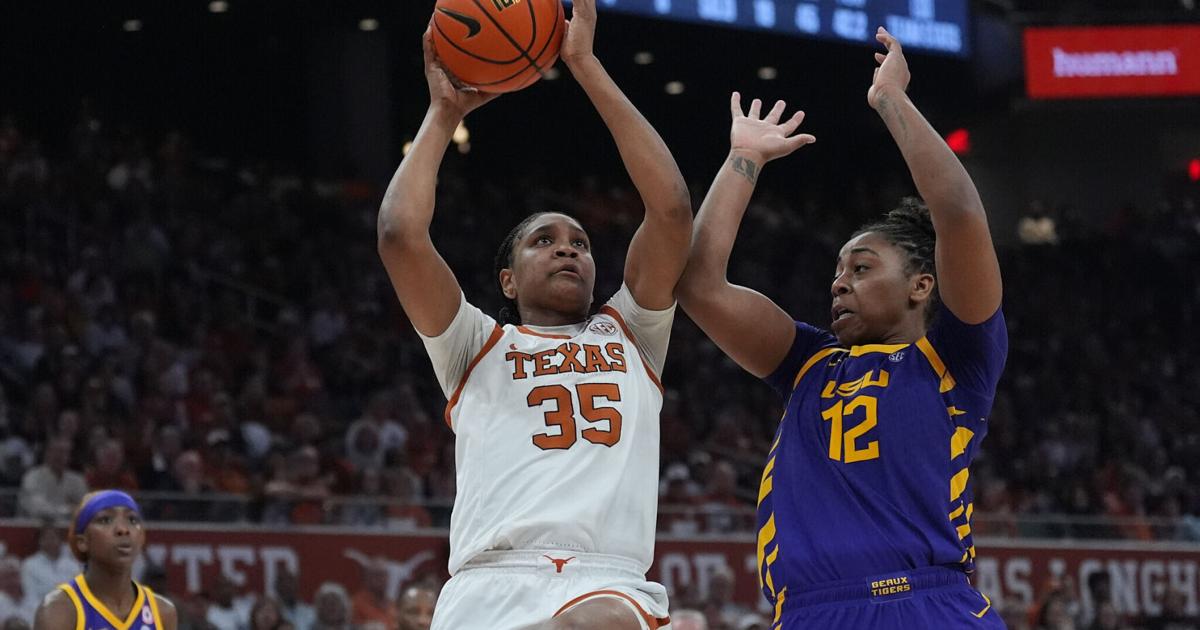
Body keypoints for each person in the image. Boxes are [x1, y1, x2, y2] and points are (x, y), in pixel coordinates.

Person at [676, 28, 1006, 628]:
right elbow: (699, 286)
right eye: (837, 270)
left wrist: (892, 101)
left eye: (861, 268)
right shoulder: (807, 361)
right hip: (808, 613)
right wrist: (743, 159)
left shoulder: (958, 357)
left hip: (925, 605)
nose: (839, 282)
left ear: (921, 285)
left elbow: (958, 215)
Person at [376, 0, 691, 626]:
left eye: (580, 243)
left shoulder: (633, 332)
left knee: (600, 622)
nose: (568, 249)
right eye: (544, 241)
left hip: (604, 580)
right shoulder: (474, 345)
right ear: (508, 279)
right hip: (487, 586)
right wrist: (443, 114)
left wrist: (585, 64)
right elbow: (399, 236)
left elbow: (672, 210)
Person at [32, 490, 178, 629]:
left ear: (141, 539)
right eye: (106, 520)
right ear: (82, 542)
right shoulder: (58, 611)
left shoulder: (163, 612)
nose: (123, 529)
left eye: (132, 519)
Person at [19, 522, 78, 612]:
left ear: (60, 540)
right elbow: (30, 597)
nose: (50, 541)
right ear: (39, 541)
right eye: (46, 538)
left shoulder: (72, 565)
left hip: (70, 611)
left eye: (53, 538)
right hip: (41, 611)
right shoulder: (29, 565)